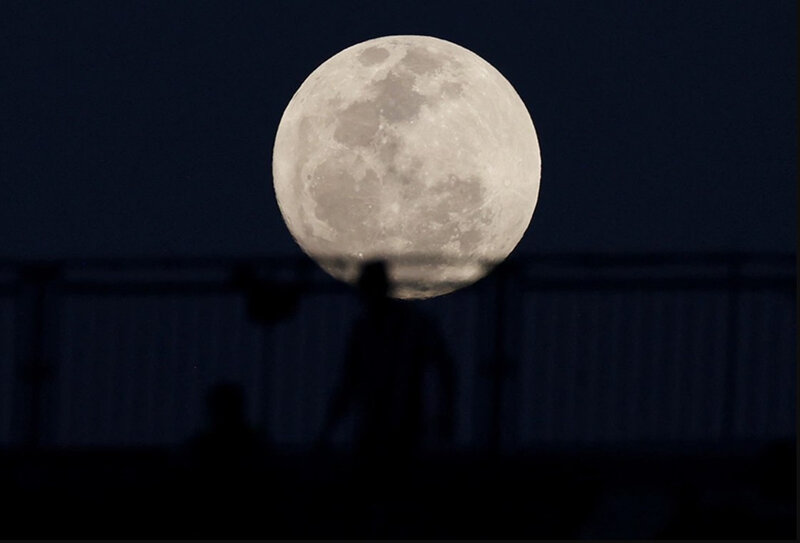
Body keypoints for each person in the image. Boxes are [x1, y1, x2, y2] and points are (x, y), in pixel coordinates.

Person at [319, 259, 455, 464]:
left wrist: (327, 430)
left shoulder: (410, 326)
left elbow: (348, 382)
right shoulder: (367, 329)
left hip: (402, 422)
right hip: (378, 423)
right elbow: (349, 381)